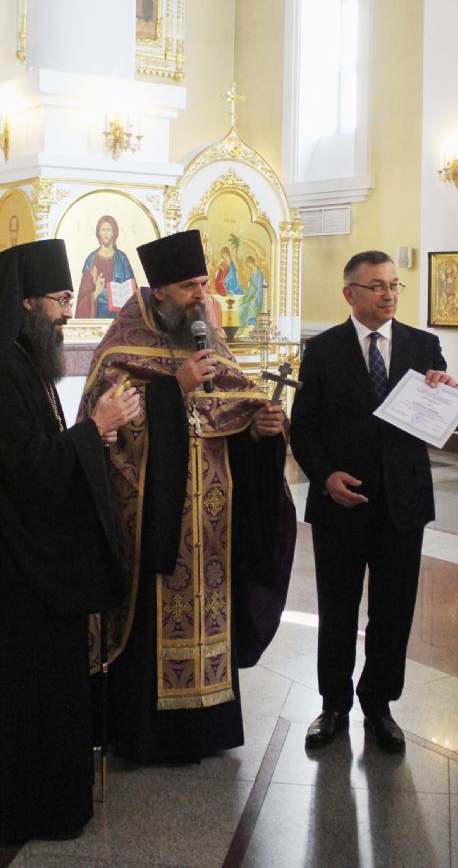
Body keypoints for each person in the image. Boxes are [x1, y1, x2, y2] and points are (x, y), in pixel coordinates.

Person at [0, 239, 140, 843]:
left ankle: (28, 798)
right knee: (26, 694)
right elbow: (28, 469)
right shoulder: (1, 371)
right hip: (16, 576)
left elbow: (41, 453)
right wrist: (94, 429)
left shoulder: (22, 362)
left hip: (27, 561)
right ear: (27, 302)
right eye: (61, 300)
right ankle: (26, 807)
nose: (68, 312)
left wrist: (91, 437)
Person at [78, 229, 297, 764]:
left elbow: (233, 407)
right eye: (188, 287)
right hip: (153, 515)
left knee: (212, 608)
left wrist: (260, 429)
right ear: (159, 292)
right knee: (151, 613)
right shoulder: (122, 345)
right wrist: (173, 387)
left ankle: (207, 729)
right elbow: (107, 425)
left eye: (203, 284)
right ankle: (145, 734)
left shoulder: (209, 342)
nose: (201, 295)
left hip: (213, 522)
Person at [290, 250, 458, 752]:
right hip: (341, 503)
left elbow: (442, 417)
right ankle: (332, 705)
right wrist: (325, 477)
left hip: (402, 502)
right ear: (350, 293)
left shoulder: (423, 345)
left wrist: (446, 389)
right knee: (337, 610)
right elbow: (304, 428)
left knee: (393, 611)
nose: (388, 294)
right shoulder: (323, 350)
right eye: (377, 286)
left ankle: (379, 705)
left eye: (393, 285)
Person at [75, 214, 136, 319]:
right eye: (103, 230)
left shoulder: (122, 259)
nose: (106, 234)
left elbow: (132, 290)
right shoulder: (91, 260)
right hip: (97, 314)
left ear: (114, 233)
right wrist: (96, 292)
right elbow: (83, 295)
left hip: (119, 315)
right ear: (98, 233)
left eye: (109, 230)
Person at [238, 254, 265, 330]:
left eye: (248, 264)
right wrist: (245, 297)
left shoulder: (258, 273)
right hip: (252, 294)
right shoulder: (252, 273)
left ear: (251, 263)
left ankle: (251, 325)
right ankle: (243, 326)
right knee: (242, 306)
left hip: (258, 295)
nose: (248, 266)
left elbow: (260, 288)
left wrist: (255, 298)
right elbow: (251, 288)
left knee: (251, 305)